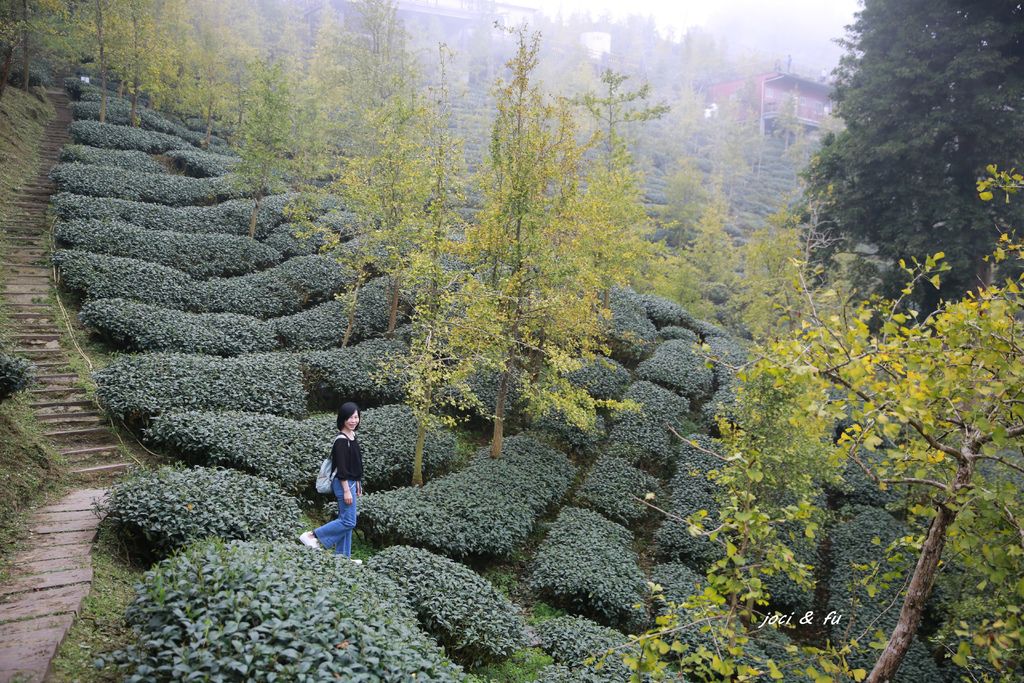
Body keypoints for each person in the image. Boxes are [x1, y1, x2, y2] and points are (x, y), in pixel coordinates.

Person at [299, 402, 363, 562]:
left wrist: (358, 483)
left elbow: (355, 464)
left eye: (356, 417)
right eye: (350, 417)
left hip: (351, 482)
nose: (353, 421)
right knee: (348, 521)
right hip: (343, 484)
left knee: (346, 521)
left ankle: (342, 559)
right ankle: (312, 535)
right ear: (342, 419)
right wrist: (347, 489)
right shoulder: (341, 440)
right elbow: (342, 469)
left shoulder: (353, 436)